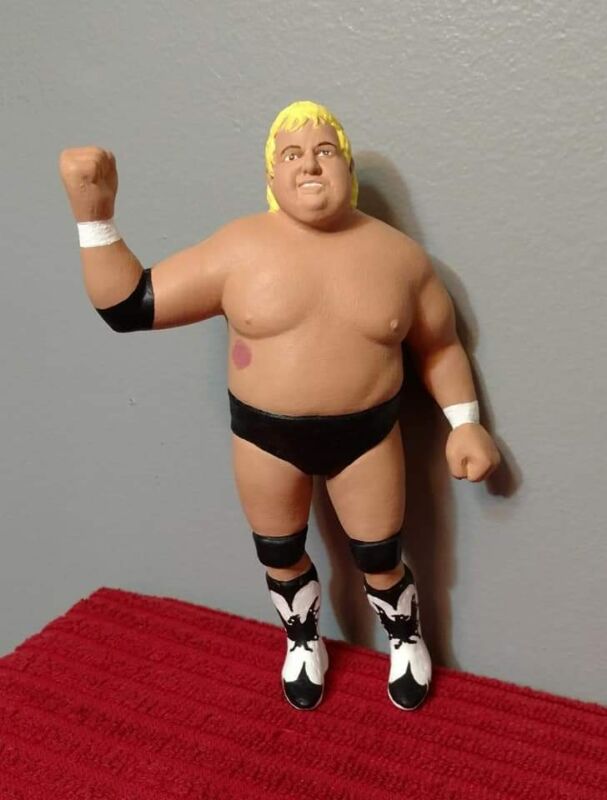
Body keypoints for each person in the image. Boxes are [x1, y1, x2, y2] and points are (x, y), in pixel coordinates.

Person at [59, 100, 500, 712]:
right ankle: (302, 639)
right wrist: (95, 218)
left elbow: (440, 347)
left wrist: (465, 424)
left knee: (380, 556)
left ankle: (404, 638)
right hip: (264, 439)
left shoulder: (400, 258)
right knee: (280, 553)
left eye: (325, 151)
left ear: (346, 166)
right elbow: (130, 304)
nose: (310, 165)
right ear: (272, 174)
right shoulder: (237, 248)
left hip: (367, 437)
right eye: (292, 154)